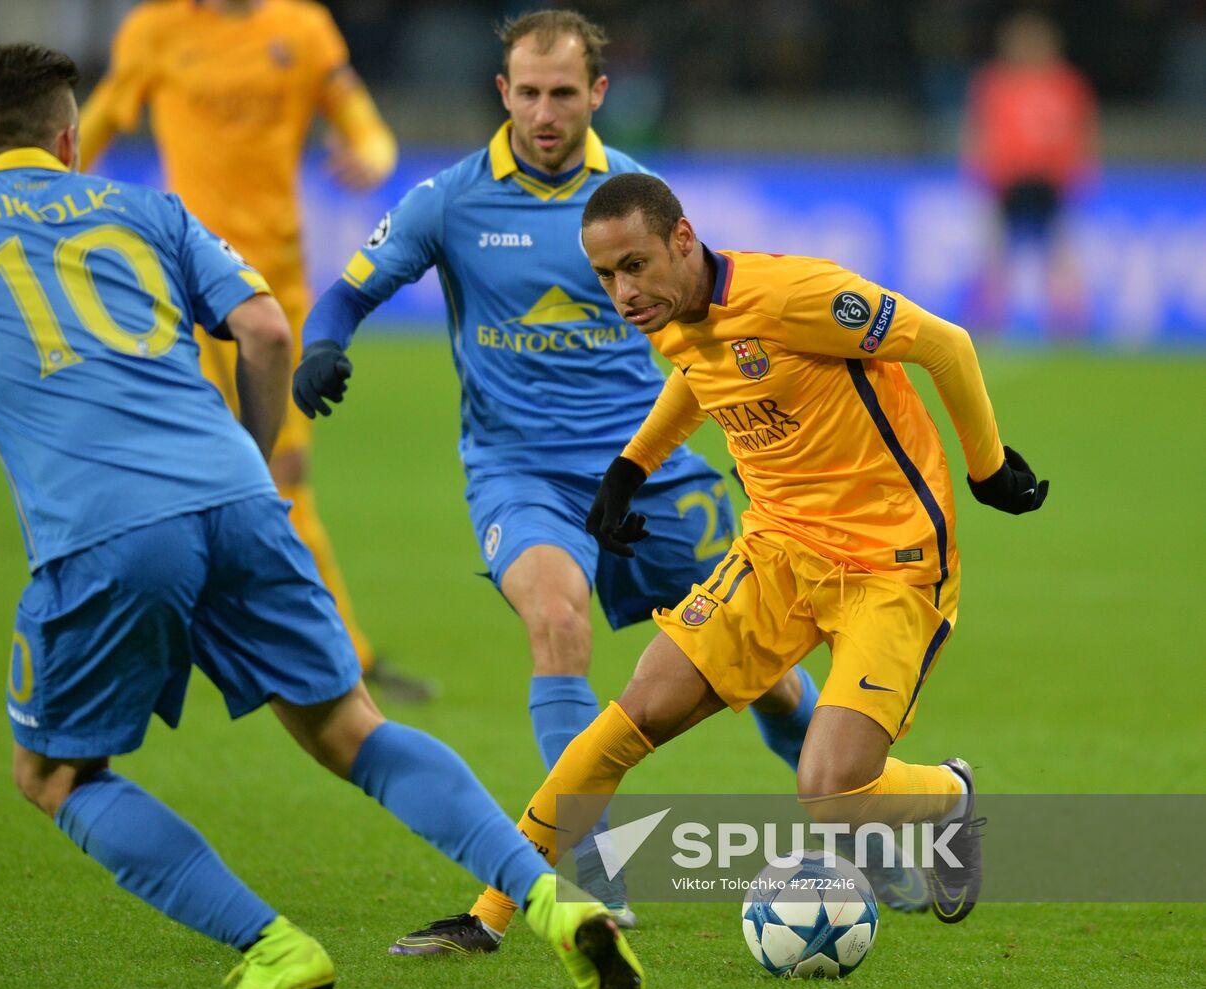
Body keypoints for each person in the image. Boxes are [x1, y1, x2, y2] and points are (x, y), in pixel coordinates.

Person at [0, 43, 643, 989]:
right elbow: (267, 329)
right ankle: (557, 898)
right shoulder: (146, 209)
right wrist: (255, 459)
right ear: (70, 141)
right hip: (240, 497)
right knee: (350, 726)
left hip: (105, 529)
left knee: (55, 773)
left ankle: (273, 948)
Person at [292, 9, 832, 948]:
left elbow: (709, 316)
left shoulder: (637, 199)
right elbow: (346, 288)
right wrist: (325, 346)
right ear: (503, 93)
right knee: (555, 617)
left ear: (597, 94)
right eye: (528, 93)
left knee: (772, 679)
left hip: (648, 473)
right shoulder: (451, 200)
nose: (545, 112)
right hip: (519, 473)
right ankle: (594, 870)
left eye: (563, 93)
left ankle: (859, 817)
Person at [431, 170, 1052, 940]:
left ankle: (944, 798)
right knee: (636, 711)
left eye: (633, 266)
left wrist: (987, 468)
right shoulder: (666, 312)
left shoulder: (797, 297)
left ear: (682, 240)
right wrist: (630, 469)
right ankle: (492, 912)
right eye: (604, 276)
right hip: (774, 554)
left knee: (827, 791)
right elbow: (701, 376)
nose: (622, 293)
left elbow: (945, 345)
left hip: (888, 564)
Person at [78, 0, 432, 701]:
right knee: (203, 466)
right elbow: (95, 127)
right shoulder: (155, 29)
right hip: (187, 281)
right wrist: (35, 191)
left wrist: (371, 153)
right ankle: (318, 652)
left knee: (279, 466)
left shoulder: (300, 29)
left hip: (278, 286)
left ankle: (331, 652)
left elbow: (364, 123)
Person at [962, 10, 1098, 337]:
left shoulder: (1067, 83)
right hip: (1006, 180)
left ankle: (1068, 326)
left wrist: (1083, 171)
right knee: (994, 255)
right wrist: (977, 170)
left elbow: (1083, 130)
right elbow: (979, 129)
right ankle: (985, 324)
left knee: (1060, 256)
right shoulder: (995, 82)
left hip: (1052, 181)